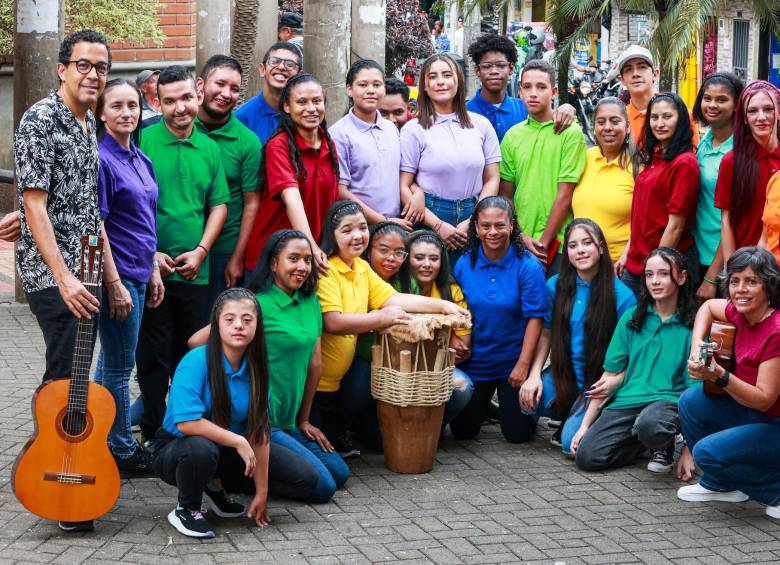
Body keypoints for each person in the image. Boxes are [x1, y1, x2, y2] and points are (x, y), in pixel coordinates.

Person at [13, 28, 111, 533]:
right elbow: (34, 204)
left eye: (101, 67)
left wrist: (109, 278)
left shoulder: (87, 122)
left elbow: (90, 210)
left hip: (89, 268)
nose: (93, 74)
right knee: (68, 369)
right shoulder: (40, 119)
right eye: (84, 65)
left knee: (72, 370)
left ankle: (53, 458)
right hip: (54, 274)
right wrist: (65, 278)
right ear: (62, 68)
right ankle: (56, 476)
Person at [191, 231, 350, 503]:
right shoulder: (256, 304)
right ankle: (233, 477)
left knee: (340, 473)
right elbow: (197, 342)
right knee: (323, 488)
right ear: (274, 263)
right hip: (261, 421)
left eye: (307, 260)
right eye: (293, 259)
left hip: (289, 421)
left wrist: (304, 420)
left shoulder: (310, 300)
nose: (302, 267)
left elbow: (315, 365)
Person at [313, 200, 468, 457]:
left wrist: (442, 305)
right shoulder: (327, 269)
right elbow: (334, 322)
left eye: (362, 227)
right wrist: (381, 319)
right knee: (330, 468)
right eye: (347, 230)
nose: (357, 235)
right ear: (333, 234)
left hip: (336, 381)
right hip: (318, 385)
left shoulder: (360, 267)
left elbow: (392, 298)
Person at [137, 65, 229, 445]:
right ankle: (155, 432)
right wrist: (151, 252)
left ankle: (183, 428)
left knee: (189, 358)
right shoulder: (141, 139)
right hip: (150, 272)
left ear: (199, 95)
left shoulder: (209, 147)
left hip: (195, 273)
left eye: (186, 98)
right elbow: (128, 207)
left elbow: (218, 205)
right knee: (153, 358)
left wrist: (202, 251)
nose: (180, 108)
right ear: (157, 101)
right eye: (170, 100)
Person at [152, 288, 271, 539]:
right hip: (177, 449)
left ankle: (215, 490)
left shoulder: (257, 370)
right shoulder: (195, 361)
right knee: (201, 448)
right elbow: (187, 424)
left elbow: (260, 433)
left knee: (260, 464)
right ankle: (187, 509)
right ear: (216, 325)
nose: (238, 325)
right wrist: (239, 441)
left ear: (257, 326)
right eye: (229, 319)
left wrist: (262, 492)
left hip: (222, 446)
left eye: (247, 320)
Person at [571, 247, 698, 473]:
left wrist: (690, 450)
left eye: (663, 274)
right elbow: (609, 376)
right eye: (649, 275)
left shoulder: (694, 324)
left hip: (667, 403)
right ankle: (644, 442)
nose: (655, 282)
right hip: (627, 402)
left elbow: (695, 393)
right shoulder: (632, 317)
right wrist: (584, 427)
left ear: (681, 277)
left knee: (651, 422)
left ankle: (661, 441)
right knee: (587, 457)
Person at [676, 247, 780, 521]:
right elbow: (709, 307)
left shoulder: (776, 331)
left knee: (706, 454)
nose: (740, 290)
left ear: (768, 286)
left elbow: (764, 399)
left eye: (751, 282)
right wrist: (697, 346)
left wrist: (720, 376)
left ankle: (775, 491)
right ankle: (722, 484)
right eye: (734, 281)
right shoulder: (740, 313)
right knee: (690, 401)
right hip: (751, 413)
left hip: (773, 422)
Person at [93, 79, 163, 476]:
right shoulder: (102, 160)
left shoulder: (139, 156)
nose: (127, 113)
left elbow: (146, 220)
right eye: (116, 106)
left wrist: (153, 268)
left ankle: (101, 437)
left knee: (110, 363)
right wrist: (114, 282)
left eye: (132, 106)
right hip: (116, 277)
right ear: (102, 113)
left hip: (139, 270)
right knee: (121, 369)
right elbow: (98, 227)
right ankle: (121, 450)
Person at [522, 219, 636, 454]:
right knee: (524, 403)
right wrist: (534, 375)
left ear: (601, 248)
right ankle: (568, 413)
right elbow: (546, 333)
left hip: (598, 383)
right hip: (565, 375)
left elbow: (633, 353)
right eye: (573, 246)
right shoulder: (555, 285)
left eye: (587, 243)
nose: (580, 250)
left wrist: (614, 382)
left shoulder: (622, 295)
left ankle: (608, 425)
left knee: (569, 446)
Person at [450, 196, 547, 443]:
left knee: (517, 434)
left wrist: (523, 365)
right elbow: (455, 309)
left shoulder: (528, 266)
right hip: (476, 362)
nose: (493, 232)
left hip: (512, 364)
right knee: (463, 433)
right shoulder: (464, 263)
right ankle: (490, 407)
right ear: (476, 227)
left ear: (512, 226)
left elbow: (535, 318)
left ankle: (522, 405)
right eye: (486, 226)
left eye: (500, 225)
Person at [400, 53, 501, 262]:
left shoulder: (481, 125)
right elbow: (404, 185)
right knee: (434, 285)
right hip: (430, 214)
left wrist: (474, 218)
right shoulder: (413, 129)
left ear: (458, 81)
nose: (440, 82)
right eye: (433, 77)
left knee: (470, 282)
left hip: (474, 214)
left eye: (447, 75)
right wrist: (437, 225)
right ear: (425, 86)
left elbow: (492, 179)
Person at [243, 73, 339, 275]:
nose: (311, 109)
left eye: (317, 101)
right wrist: (310, 246)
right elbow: (292, 198)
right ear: (287, 107)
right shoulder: (279, 145)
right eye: (302, 102)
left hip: (309, 258)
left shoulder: (329, 144)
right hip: (273, 259)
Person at [499, 59, 587, 275]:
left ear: (554, 91)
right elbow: (506, 194)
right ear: (519, 92)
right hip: (520, 241)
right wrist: (519, 236)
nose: (533, 93)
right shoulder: (512, 136)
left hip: (557, 243)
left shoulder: (570, 132)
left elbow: (565, 195)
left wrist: (542, 245)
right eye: (527, 87)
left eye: (541, 87)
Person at [195, 55, 262, 303]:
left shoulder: (247, 141)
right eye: (220, 84)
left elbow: (252, 203)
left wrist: (237, 258)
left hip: (223, 250)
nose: (226, 93)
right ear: (200, 85)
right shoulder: (179, 127)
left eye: (234, 89)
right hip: (177, 248)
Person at [622, 93, 700, 297]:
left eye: (667, 117)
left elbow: (676, 225)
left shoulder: (684, 163)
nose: (659, 123)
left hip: (665, 263)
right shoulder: (656, 157)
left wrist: (655, 270)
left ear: (681, 120)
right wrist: (626, 254)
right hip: (637, 261)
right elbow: (643, 214)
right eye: (654, 117)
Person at [406, 230, 475, 425]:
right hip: (400, 366)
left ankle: (435, 425)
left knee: (463, 388)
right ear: (407, 259)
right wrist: (445, 334)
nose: (426, 264)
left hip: (439, 366)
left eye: (433, 258)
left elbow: (462, 350)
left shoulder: (451, 291)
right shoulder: (397, 287)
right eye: (419, 257)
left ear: (441, 262)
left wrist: (448, 339)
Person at [330, 60, 407, 228]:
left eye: (377, 85)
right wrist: (383, 221)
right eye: (363, 85)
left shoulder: (391, 129)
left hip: (395, 225)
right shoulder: (339, 134)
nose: (371, 91)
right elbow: (340, 191)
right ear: (349, 89)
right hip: (359, 227)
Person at [466, 33, 575, 142]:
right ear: (477, 71)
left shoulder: (526, 109)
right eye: (487, 66)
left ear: (511, 68)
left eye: (500, 65)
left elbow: (550, 117)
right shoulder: (463, 112)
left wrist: (567, 109)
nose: (494, 71)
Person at [691, 73, 743, 299]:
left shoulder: (738, 153)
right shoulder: (705, 140)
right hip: (695, 252)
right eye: (707, 98)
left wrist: (712, 277)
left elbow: (733, 219)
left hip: (719, 261)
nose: (712, 105)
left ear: (736, 106)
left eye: (722, 99)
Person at [716, 81, 780, 264]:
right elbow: (726, 221)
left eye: (768, 109)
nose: (761, 117)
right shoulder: (731, 162)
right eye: (752, 111)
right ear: (744, 117)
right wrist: (732, 272)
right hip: (747, 265)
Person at [572, 98, 638, 268]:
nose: (607, 127)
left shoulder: (639, 167)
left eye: (615, 121)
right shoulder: (584, 157)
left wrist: (626, 257)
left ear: (627, 127)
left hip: (619, 266)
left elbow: (646, 223)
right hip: (581, 263)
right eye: (601, 122)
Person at [616, 45, 699, 147]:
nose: (635, 74)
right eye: (628, 70)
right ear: (622, 80)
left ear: (655, 74)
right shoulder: (620, 119)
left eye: (642, 67)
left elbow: (693, 156)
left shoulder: (681, 114)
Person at [235, 42, 303, 144]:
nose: (281, 67)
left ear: (299, 75)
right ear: (262, 69)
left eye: (290, 64)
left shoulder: (305, 114)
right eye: (274, 61)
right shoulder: (241, 118)